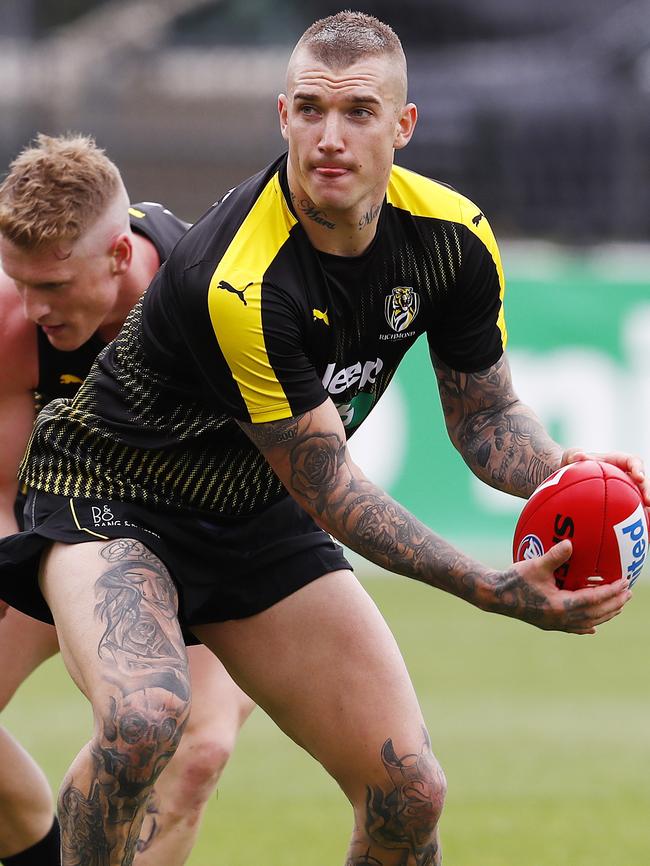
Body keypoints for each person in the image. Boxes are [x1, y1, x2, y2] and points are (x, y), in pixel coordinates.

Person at [0, 13, 645, 866]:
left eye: (359, 112)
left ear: (403, 126)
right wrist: (490, 587)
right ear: (282, 117)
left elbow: (486, 418)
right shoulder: (239, 275)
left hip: (251, 512)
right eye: (309, 109)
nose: (330, 137)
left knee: (410, 792)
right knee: (143, 718)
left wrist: (561, 471)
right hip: (110, 499)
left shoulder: (453, 238)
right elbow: (330, 488)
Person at [0, 134, 254, 866]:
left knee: (195, 750)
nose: (32, 307)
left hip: (214, 535)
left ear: (117, 257)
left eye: (51, 287)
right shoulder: (17, 326)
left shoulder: (217, 295)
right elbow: (8, 493)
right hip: (73, 534)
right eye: (20, 282)